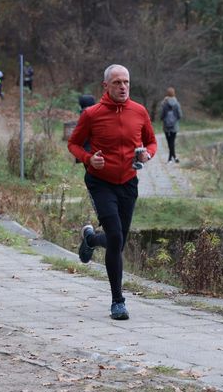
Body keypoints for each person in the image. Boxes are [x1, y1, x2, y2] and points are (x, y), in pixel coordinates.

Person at [67, 64, 157, 320]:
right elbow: (73, 143)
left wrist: (147, 153)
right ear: (105, 86)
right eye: (117, 82)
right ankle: (118, 301)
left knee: (118, 240)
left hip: (128, 181)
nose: (123, 87)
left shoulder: (139, 111)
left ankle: (91, 239)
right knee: (116, 238)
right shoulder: (91, 114)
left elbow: (151, 140)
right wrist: (87, 158)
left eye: (126, 82)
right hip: (100, 182)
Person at [159, 87, 183, 163]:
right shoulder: (177, 103)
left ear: (167, 94)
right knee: (172, 141)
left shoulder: (164, 103)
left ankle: (170, 158)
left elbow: (162, 115)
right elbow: (180, 115)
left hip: (166, 126)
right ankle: (174, 157)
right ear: (174, 93)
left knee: (169, 142)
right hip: (174, 126)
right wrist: (175, 119)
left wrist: (164, 119)